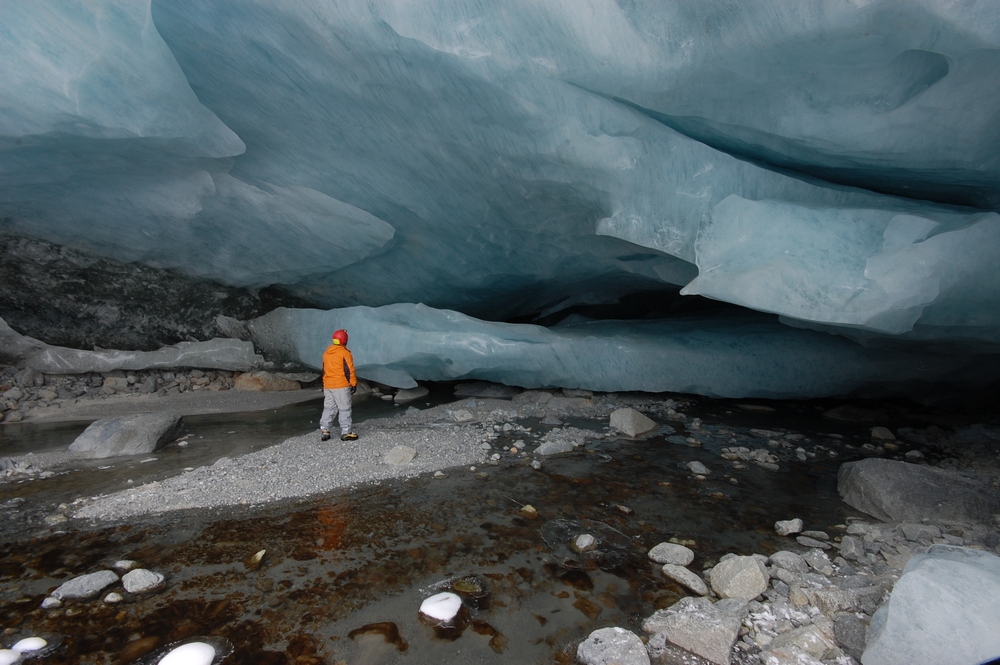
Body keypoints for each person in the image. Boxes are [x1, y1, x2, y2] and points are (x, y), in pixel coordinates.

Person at [320, 328, 358, 441]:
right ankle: (346, 431)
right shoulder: (345, 353)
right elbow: (349, 370)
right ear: (345, 340)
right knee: (344, 408)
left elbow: (324, 369)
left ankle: (325, 429)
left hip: (328, 385)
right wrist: (353, 383)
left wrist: (324, 383)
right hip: (341, 385)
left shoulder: (327, 353)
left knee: (328, 408)